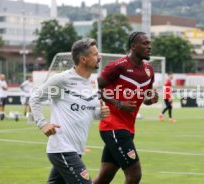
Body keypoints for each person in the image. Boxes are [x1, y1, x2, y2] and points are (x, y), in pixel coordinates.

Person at [29, 38, 110, 184]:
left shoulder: (93, 82)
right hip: (61, 147)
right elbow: (35, 99)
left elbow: (90, 111)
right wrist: (43, 124)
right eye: (95, 54)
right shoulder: (62, 80)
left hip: (77, 149)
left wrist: (100, 113)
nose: (100, 57)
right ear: (83, 59)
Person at [93, 31, 159, 184]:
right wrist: (118, 103)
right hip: (113, 127)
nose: (149, 46)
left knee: (104, 177)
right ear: (133, 46)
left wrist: (150, 99)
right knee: (134, 175)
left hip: (128, 129)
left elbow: (144, 98)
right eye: (145, 43)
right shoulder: (118, 66)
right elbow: (95, 89)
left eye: (149, 43)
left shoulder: (149, 70)